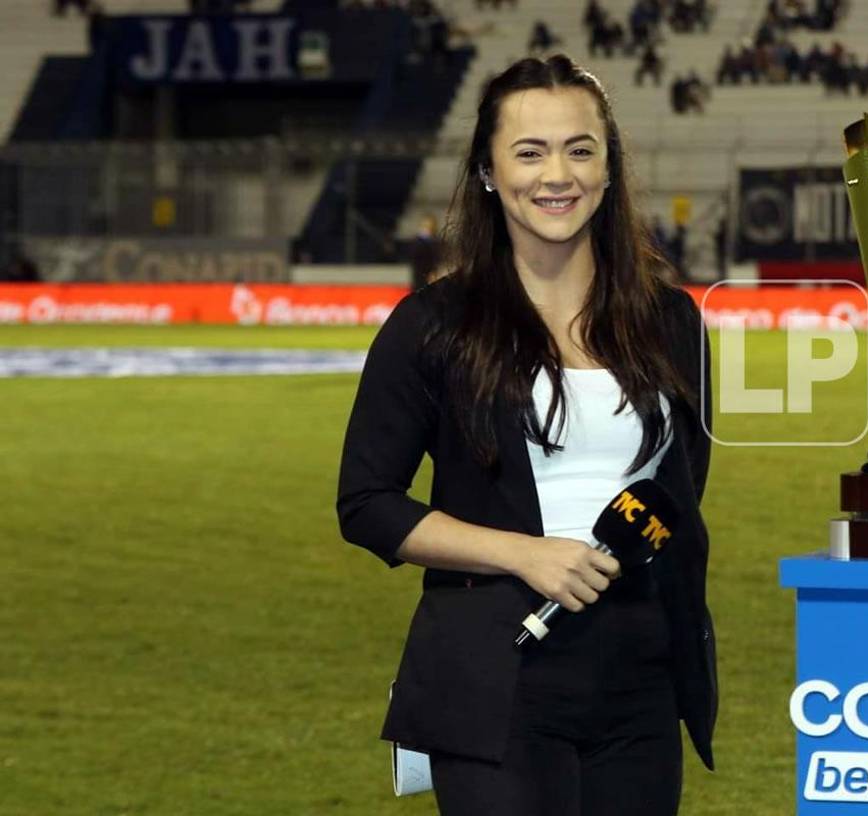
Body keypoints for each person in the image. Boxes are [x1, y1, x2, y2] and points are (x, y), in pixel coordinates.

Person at [336, 54, 716, 815]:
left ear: (609, 167)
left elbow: (677, 496)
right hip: (494, 680)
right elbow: (367, 502)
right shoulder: (433, 325)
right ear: (486, 170)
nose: (558, 174)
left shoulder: (671, 322)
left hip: (640, 680)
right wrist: (524, 554)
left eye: (580, 148)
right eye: (530, 151)